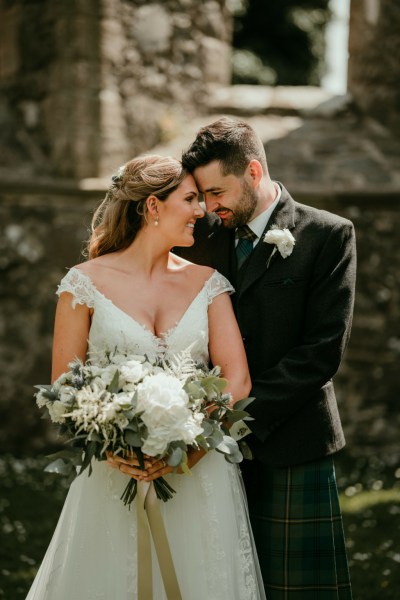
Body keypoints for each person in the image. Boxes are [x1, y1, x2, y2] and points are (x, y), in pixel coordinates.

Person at [26, 154, 266, 600]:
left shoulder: (209, 283)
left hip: (200, 473)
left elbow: (238, 380)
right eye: (191, 199)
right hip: (113, 474)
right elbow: (65, 384)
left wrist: (192, 444)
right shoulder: (83, 284)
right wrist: (117, 450)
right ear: (153, 207)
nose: (202, 211)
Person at [176, 117, 356, 599]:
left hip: (292, 441)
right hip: (208, 448)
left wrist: (233, 416)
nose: (209, 207)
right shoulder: (201, 240)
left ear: (253, 172)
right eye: (202, 195)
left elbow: (320, 354)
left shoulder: (327, 235)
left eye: (217, 192)